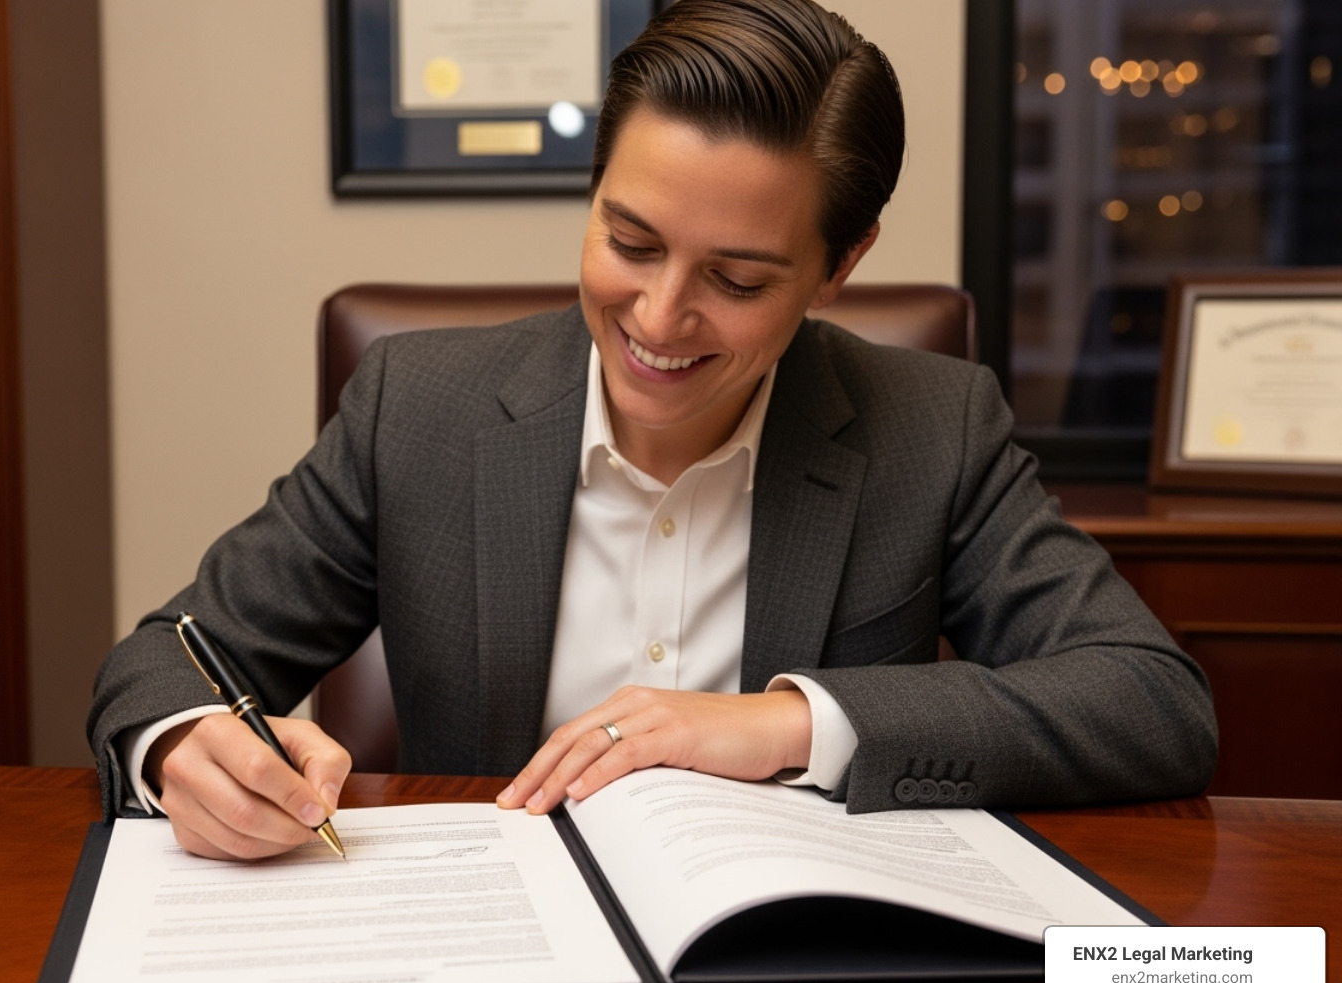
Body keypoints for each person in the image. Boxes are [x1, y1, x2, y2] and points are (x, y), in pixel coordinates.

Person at [89, 0, 1217, 861]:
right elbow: (163, 663)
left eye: (735, 277)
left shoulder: (932, 426)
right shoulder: (415, 408)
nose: (660, 317)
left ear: (840, 266)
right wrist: (185, 745)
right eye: (630, 242)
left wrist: (789, 722)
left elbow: (1150, 701)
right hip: (490, 944)